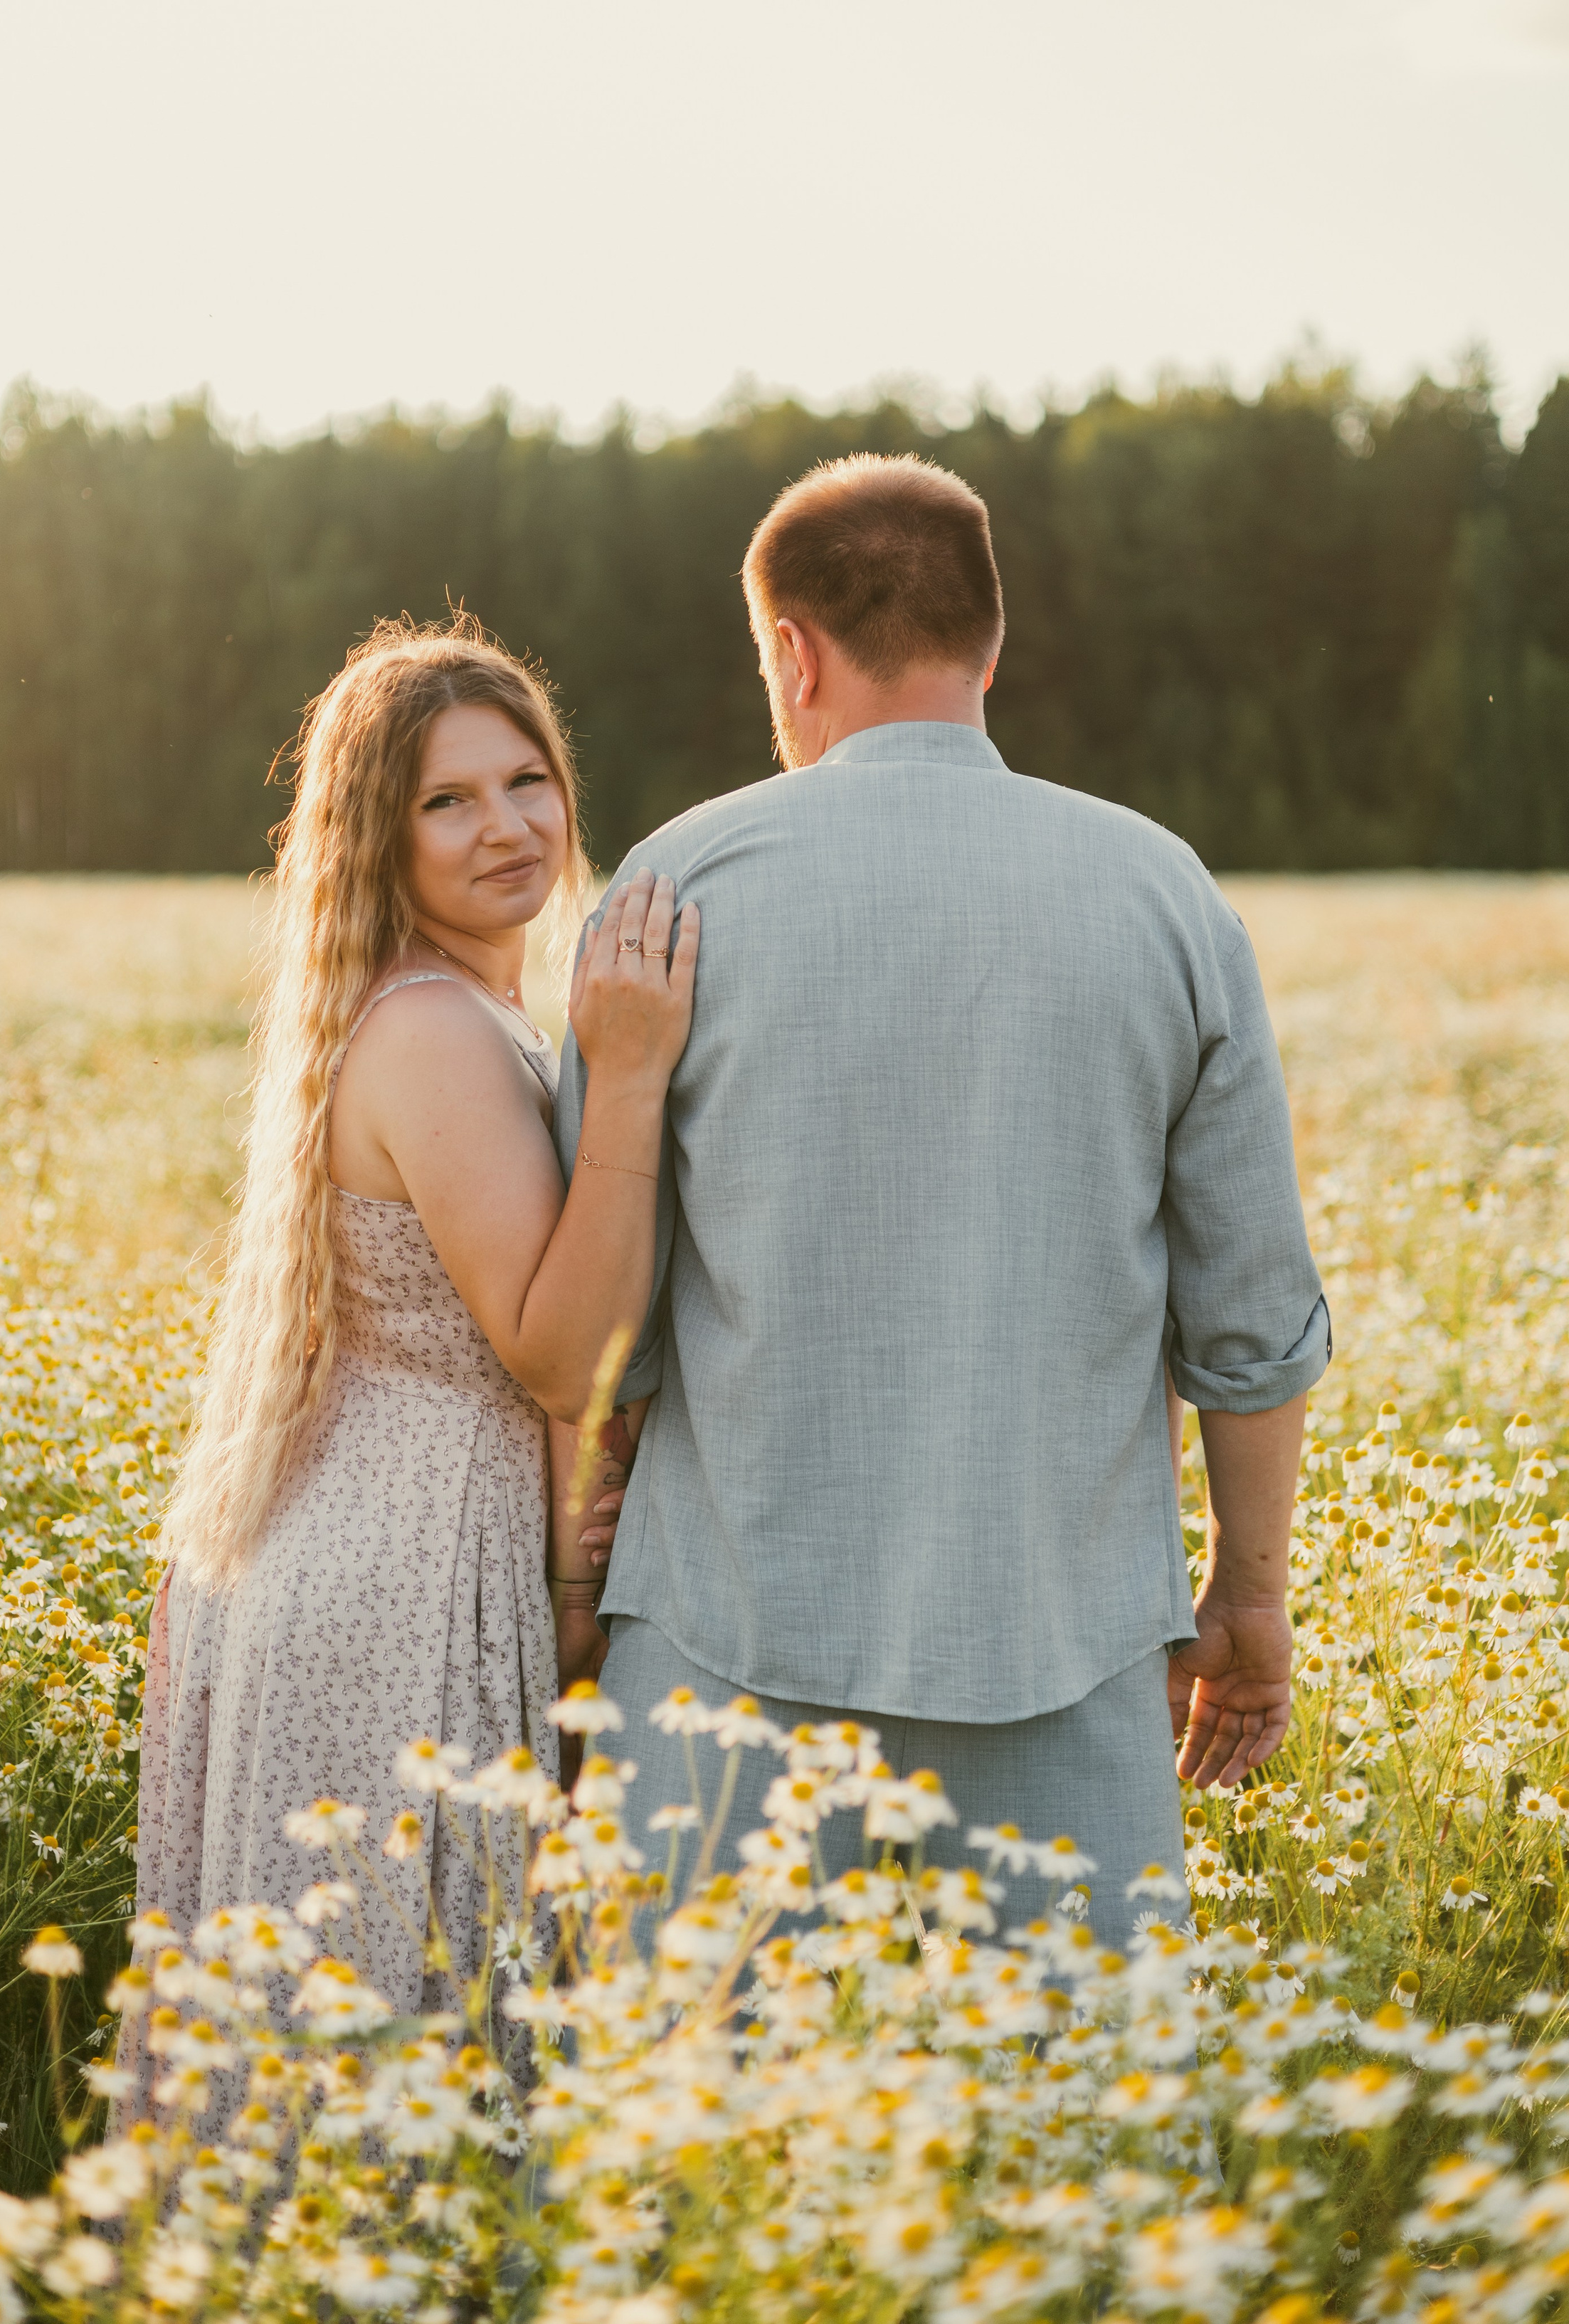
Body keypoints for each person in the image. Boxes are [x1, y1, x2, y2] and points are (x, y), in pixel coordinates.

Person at [557, 455, 1328, 1943]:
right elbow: (1249, 1324)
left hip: (722, 1664)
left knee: (684, 2150)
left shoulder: (670, 890)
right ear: (990, 639)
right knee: (1079, 2146)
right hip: (1066, 1656)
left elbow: (606, 1331)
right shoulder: (1162, 892)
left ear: (790, 652)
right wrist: (1244, 1596)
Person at [132, 618, 697, 2040]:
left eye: (525, 779)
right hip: (404, 1587)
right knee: (401, 2042)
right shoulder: (435, 1027)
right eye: (446, 800)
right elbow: (562, 1354)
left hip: (398, 1544)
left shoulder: (461, 1008)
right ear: (377, 836)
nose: (505, 827)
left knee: (398, 2050)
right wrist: (629, 1074)